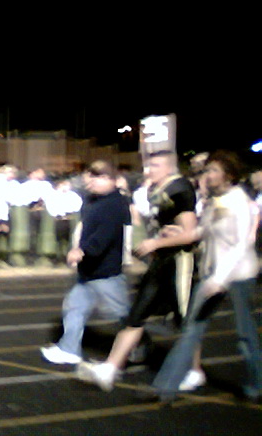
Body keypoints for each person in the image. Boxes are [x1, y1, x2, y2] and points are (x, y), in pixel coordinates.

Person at [77, 150, 197, 391]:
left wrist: (157, 243)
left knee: (186, 321)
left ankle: (195, 371)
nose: (149, 170)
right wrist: (158, 239)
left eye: (156, 165)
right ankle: (110, 368)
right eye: (148, 165)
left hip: (180, 262)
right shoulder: (153, 189)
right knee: (136, 315)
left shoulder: (180, 188)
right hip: (160, 262)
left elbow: (191, 233)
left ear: (170, 167)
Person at [150, 150, 261, 402]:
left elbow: (240, 245)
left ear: (229, 175)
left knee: (245, 333)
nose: (207, 175)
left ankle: (257, 382)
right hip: (213, 275)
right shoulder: (215, 200)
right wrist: (175, 233)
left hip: (238, 275)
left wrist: (219, 279)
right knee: (191, 329)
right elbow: (204, 230)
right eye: (206, 170)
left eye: (213, 170)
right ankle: (166, 387)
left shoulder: (238, 201)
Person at [41, 160, 131, 364]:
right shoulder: (93, 201)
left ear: (109, 179)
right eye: (88, 179)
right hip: (89, 270)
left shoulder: (115, 204)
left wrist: (83, 251)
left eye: (94, 178)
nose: (89, 183)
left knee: (122, 315)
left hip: (106, 272)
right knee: (75, 307)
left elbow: (105, 235)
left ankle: (140, 345)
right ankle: (69, 349)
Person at [19, 168, 54, 266]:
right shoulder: (26, 186)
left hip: (43, 212)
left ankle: (41, 254)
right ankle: (31, 255)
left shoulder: (46, 185)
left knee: (42, 234)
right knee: (32, 234)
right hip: (31, 212)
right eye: (40, 172)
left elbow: (50, 196)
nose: (42, 175)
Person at [46, 178, 83, 266]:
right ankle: (57, 257)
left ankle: (66, 257)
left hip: (69, 219)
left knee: (68, 239)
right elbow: (51, 207)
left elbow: (78, 205)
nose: (67, 187)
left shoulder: (73, 195)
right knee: (58, 239)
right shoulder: (53, 195)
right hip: (58, 220)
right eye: (65, 185)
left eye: (68, 185)